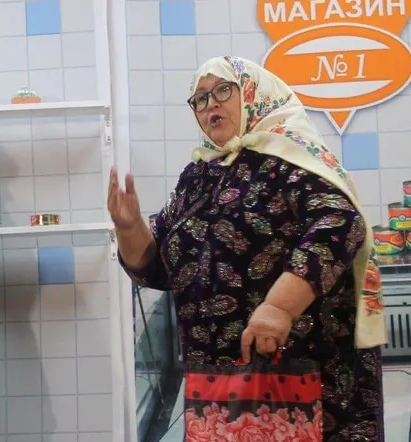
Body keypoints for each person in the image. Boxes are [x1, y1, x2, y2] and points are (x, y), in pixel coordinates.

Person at [109, 56, 386, 440]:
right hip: (217, 381)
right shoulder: (197, 176)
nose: (211, 104)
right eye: (200, 98)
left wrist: (279, 307)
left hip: (300, 368)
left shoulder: (292, 159)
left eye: (223, 90)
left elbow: (340, 222)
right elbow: (158, 269)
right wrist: (130, 227)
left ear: (255, 94)